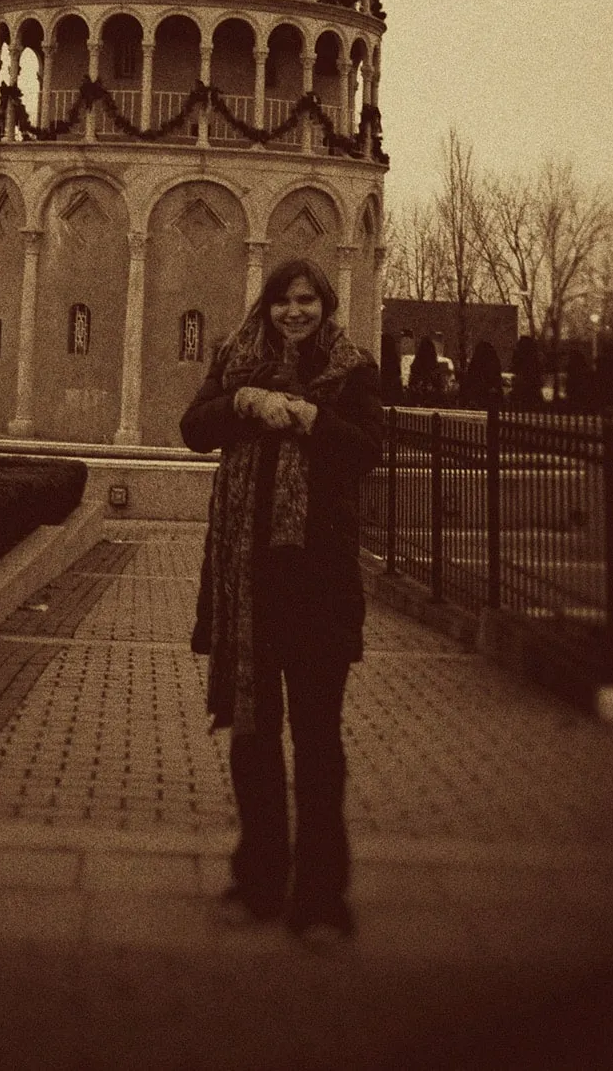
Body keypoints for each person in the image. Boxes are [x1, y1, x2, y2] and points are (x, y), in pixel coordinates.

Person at [181, 258, 384, 946]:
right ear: (265, 308)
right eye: (282, 302)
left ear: (325, 306)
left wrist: (306, 417)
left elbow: (366, 451)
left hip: (319, 586)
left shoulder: (352, 369)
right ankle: (261, 877)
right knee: (254, 735)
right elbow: (194, 427)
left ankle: (323, 897)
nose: (294, 312)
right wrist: (243, 403)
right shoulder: (236, 360)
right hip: (250, 585)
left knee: (319, 743)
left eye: (307, 301)